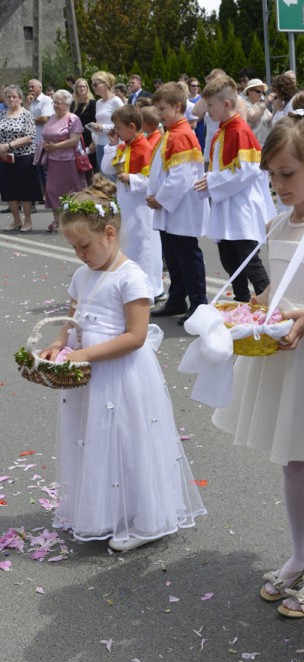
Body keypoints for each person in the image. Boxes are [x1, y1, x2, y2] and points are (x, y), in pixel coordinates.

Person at [213, 92, 304, 617]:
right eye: (272, 176)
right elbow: (279, 285)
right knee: (293, 461)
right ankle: (301, 553)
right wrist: (261, 303)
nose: (278, 186)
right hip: (281, 357)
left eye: (287, 174)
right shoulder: (277, 225)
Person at [40, 178, 206, 551]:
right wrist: (57, 344)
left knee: (128, 440)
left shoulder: (131, 277)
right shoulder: (83, 275)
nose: (80, 254)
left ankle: (147, 520)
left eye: (84, 245)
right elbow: (72, 319)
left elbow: (135, 336)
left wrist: (81, 355)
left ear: (109, 233)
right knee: (96, 437)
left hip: (123, 374)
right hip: (91, 376)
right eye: (74, 247)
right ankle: (110, 510)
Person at [194, 75, 274, 303]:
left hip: (241, 207)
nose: (207, 110)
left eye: (210, 105)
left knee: (249, 259)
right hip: (227, 204)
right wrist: (210, 179)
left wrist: (213, 181)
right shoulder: (223, 130)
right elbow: (223, 168)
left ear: (226, 104)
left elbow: (248, 170)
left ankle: (269, 301)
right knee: (229, 259)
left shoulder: (239, 131)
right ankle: (241, 300)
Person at [147, 82, 209, 323]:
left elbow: (180, 177)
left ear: (177, 106)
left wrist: (160, 199)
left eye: (163, 109)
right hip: (172, 209)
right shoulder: (172, 132)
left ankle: (198, 303)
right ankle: (176, 300)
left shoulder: (181, 134)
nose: (159, 114)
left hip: (180, 209)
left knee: (186, 256)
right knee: (173, 257)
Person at [101, 104, 164, 299]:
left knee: (144, 248)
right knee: (130, 246)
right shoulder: (123, 146)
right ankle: (135, 289)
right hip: (127, 205)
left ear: (131, 126)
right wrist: (111, 145)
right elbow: (107, 169)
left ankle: (150, 290)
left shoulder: (144, 147)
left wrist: (133, 179)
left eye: (118, 128)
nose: (116, 131)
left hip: (141, 207)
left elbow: (153, 181)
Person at [42, 89, 86, 233]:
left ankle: (74, 220)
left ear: (67, 104)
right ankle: (57, 219)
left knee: (70, 191)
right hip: (52, 160)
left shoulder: (73, 119)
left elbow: (74, 141)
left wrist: (55, 146)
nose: (55, 105)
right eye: (54, 102)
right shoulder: (52, 117)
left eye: (58, 103)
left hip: (68, 161)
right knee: (51, 189)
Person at [0, 84, 40, 231]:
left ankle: (28, 220)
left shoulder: (26, 114)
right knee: (8, 189)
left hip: (24, 157)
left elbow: (30, 137)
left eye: (14, 97)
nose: (11, 99)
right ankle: (16, 220)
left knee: (25, 189)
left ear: (20, 98)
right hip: (5, 158)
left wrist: (8, 146)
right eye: (8, 97)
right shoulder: (2, 114)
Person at [88, 71, 123, 171]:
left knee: (112, 176)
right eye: (92, 84)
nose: (93, 87)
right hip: (100, 143)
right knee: (103, 174)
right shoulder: (98, 102)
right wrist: (94, 132)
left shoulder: (116, 101)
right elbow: (99, 122)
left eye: (95, 84)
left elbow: (124, 124)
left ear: (106, 84)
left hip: (113, 144)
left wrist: (102, 127)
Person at [28, 78, 54, 194]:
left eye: (32, 86)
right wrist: (27, 103)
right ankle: (39, 194)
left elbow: (44, 118)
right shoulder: (31, 101)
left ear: (40, 87)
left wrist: (28, 121)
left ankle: (49, 194)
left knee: (44, 169)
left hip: (43, 140)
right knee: (34, 169)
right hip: (32, 140)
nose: (30, 89)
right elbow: (23, 115)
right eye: (29, 87)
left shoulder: (46, 100)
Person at [71, 78, 97, 176]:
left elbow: (95, 122)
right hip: (78, 139)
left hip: (90, 138)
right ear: (76, 88)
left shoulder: (92, 103)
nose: (82, 89)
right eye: (79, 86)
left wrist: (94, 141)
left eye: (84, 86)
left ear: (87, 88)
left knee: (92, 167)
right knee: (81, 165)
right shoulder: (73, 104)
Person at [242, 78, 273, 146]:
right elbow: (253, 117)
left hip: (264, 144)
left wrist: (276, 106)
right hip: (252, 146)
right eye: (258, 91)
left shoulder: (261, 105)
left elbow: (272, 119)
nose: (261, 94)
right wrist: (266, 102)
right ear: (249, 91)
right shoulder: (244, 104)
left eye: (262, 92)